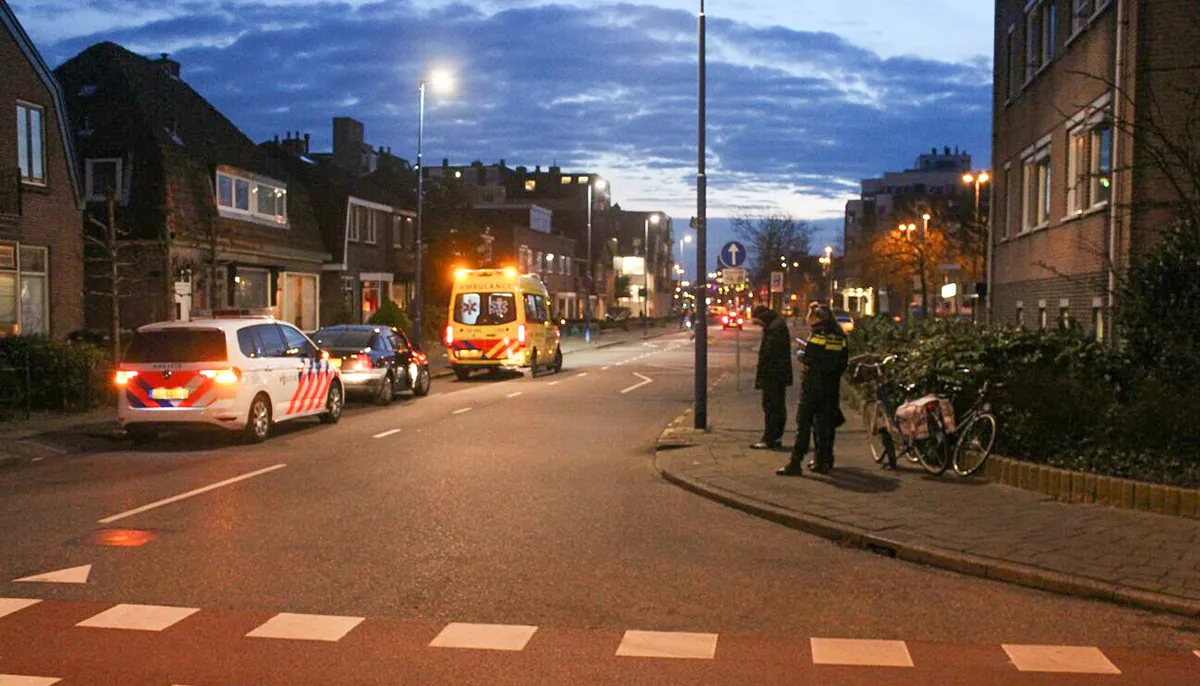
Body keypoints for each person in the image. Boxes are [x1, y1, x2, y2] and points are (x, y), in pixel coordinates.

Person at [777, 302, 849, 476]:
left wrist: (801, 353)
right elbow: (841, 361)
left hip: (813, 386)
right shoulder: (840, 335)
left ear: (816, 317)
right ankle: (824, 460)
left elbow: (810, 358)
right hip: (831, 387)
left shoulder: (818, 334)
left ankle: (795, 463)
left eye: (809, 315)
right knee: (825, 425)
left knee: (804, 425)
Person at [750, 304, 793, 450]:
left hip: (773, 376)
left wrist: (763, 377)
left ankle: (770, 438)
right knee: (776, 407)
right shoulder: (776, 326)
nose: (759, 325)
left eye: (758, 322)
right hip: (777, 375)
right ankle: (775, 437)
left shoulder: (774, 329)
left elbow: (769, 355)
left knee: (772, 407)